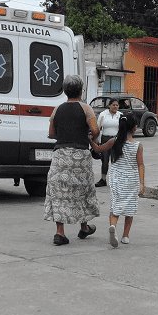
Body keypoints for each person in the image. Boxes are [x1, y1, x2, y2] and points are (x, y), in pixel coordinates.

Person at [44, 75, 99, 246]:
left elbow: (51, 134)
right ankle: (84, 227)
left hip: (60, 155)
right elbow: (95, 130)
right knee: (82, 189)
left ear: (65, 91)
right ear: (81, 90)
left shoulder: (57, 109)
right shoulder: (86, 108)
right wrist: (89, 135)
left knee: (58, 192)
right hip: (80, 155)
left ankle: (60, 232)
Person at [91, 114, 145, 247]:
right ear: (133, 128)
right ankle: (125, 236)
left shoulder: (113, 141)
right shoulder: (138, 145)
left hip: (116, 178)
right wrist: (142, 183)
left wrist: (90, 140)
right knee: (130, 208)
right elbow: (140, 165)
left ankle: (113, 227)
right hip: (131, 179)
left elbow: (98, 149)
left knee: (115, 205)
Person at [94, 98, 122, 187]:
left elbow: (123, 130)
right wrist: (96, 140)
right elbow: (98, 128)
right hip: (105, 140)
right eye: (113, 105)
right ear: (109, 105)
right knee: (105, 160)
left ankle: (116, 180)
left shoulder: (120, 115)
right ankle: (103, 179)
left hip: (116, 141)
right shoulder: (103, 114)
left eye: (117, 105)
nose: (115, 106)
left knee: (116, 161)